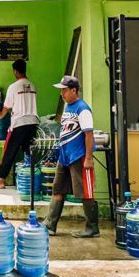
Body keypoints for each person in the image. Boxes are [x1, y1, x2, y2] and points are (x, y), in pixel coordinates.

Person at [43, 75, 99, 238]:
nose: (62, 94)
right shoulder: (68, 108)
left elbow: (89, 134)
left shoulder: (83, 109)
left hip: (79, 156)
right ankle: (50, 224)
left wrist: (88, 158)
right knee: (57, 188)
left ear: (74, 90)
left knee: (85, 192)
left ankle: (92, 227)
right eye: (61, 91)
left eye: (65, 90)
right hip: (65, 156)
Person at [0, 59, 39, 189]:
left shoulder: (14, 87)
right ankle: (32, 180)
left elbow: (6, 106)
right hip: (33, 123)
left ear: (15, 71)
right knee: (29, 152)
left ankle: (1, 180)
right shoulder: (32, 85)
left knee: (9, 151)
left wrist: (0, 115)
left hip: (19, 123)